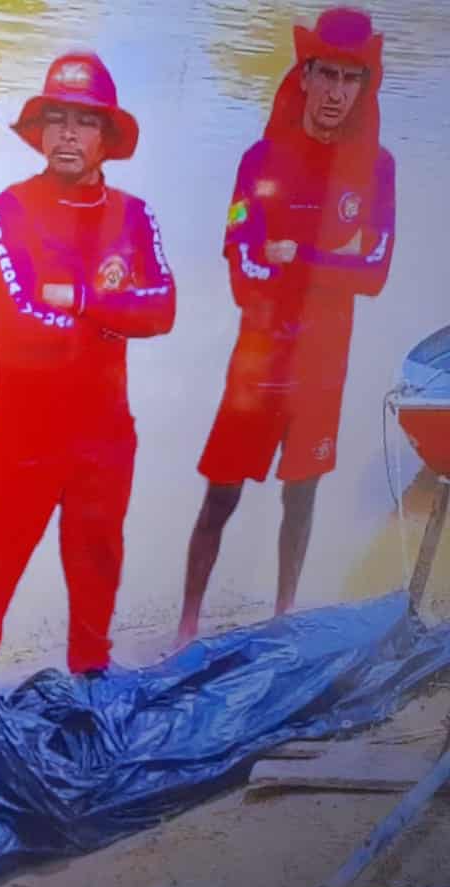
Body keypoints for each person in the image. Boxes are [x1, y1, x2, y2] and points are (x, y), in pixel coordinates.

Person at [0, 51, 175, 687]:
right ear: (39, 131)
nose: (68, 134)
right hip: (23, 440)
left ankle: (89, 701)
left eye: (85, 121)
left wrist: (79, 299)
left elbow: (164, 309)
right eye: (57, 119)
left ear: (106, 136)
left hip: (106, 438)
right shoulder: (8, 211)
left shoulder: (134, 216)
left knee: (95, 590)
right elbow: (22, 323)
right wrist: (114, 316)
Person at [178, 7, 395, 643]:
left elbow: (375, 274)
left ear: (363, 87)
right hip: (260, 360)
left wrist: (296, 258)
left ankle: (282, 622)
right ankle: (185, 628)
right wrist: (331, 262)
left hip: (323, 366)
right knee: (221, 496)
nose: (336, 93)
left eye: (351, 79)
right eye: (327, 74)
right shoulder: (260, 159)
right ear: (304, 75)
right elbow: (242, 265)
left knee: (302, 496)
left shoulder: (377, 169)